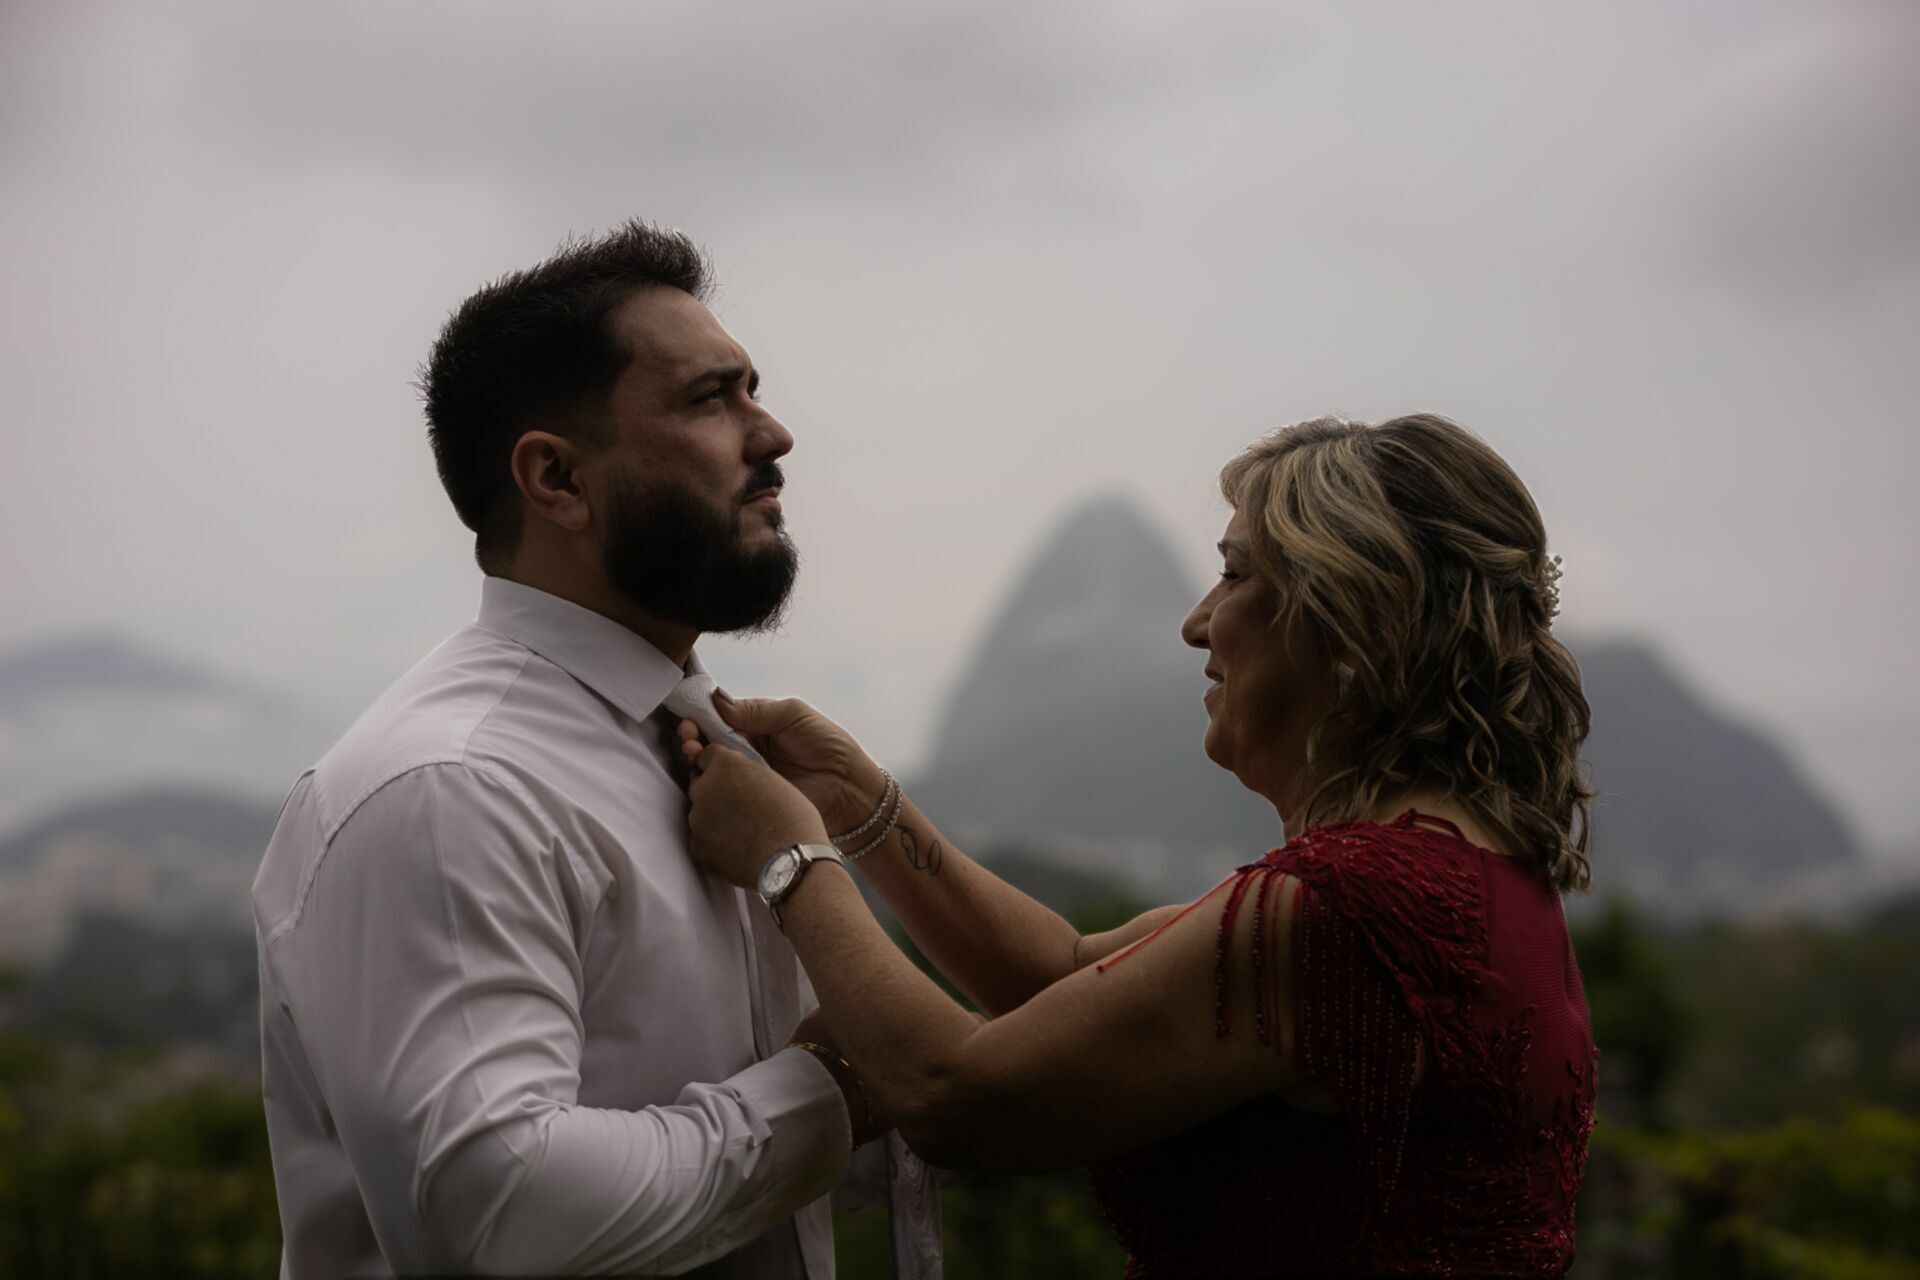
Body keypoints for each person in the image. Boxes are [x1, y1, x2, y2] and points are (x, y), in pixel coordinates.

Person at [678, 414, 1599, 1277]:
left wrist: (791, 862)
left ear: (1354, 622)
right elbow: (1062, 976)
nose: (1196, 622)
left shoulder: (1357, 908)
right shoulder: (1473, 877)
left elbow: (959, 1097)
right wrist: (855, 798)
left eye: (1235, 576)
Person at [250, 220, 936, 1278]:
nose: (774, 433)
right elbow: (503, 1215)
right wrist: (833, 1089)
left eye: (753, 389)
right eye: (710, 400)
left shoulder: (715, 760)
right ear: (556, 479)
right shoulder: (451, 787)